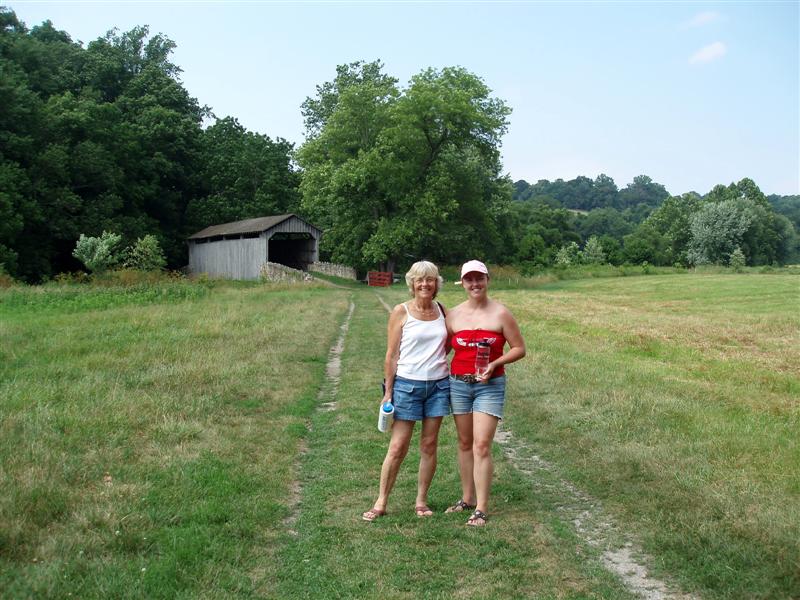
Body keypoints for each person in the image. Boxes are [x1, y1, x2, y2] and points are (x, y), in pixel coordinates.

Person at [362, 261, 451, 522]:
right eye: (420, 280)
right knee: (398, 446)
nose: (425, 284)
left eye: (430, 280)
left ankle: (421, 501)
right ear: (412, 284)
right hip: (407, 386)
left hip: (438, 386)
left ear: (437, 284)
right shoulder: (401, 312)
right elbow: (391, 355)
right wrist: (388, 391)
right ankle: (381, 501)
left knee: (429, 444)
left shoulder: (443, 311)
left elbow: (445, 346)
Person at [445, 260, 526, 526]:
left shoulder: (501, 314)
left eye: (479, 278)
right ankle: (466, 498)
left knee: (481, 444)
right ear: (462, 283)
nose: (475, 284)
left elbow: (518, 348)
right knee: (465, 443)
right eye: (469, 280)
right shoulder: (453, 315)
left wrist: (495, 363)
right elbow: (443, 349)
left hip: (489, 386)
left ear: (488, 280)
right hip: (458, 383)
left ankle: (480, 508)